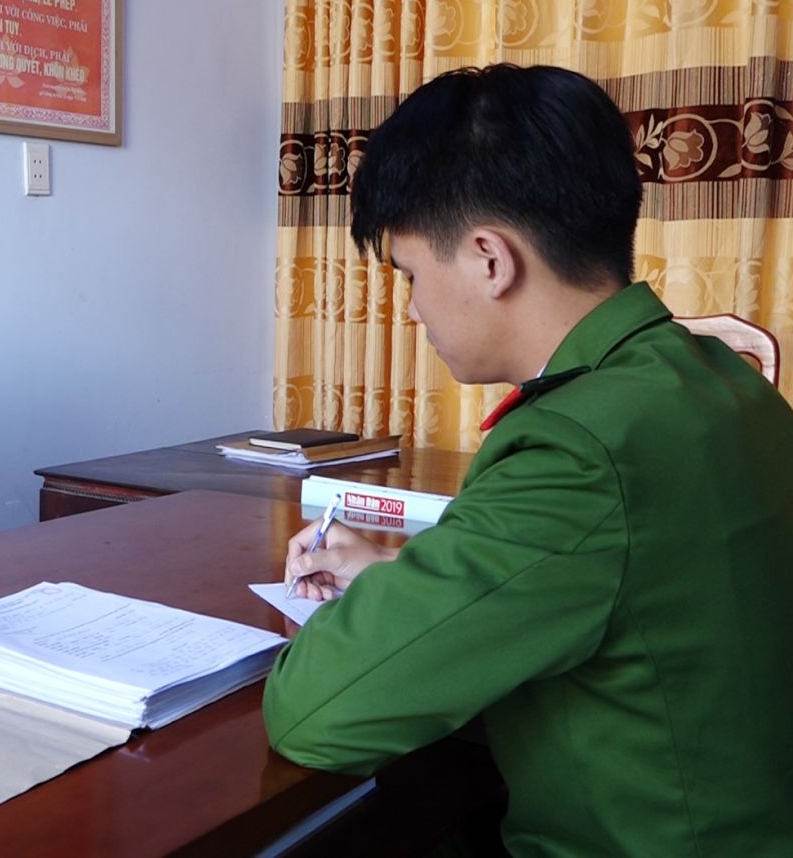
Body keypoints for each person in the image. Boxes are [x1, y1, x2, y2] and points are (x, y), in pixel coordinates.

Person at [262, 64, 793, 855]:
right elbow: (633, 579)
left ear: (488, 258)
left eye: (412, 274)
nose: (414, 308)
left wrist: (368, 615)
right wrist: (398, 578)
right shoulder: (716, 380)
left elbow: (315, 713)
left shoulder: (575, 448)